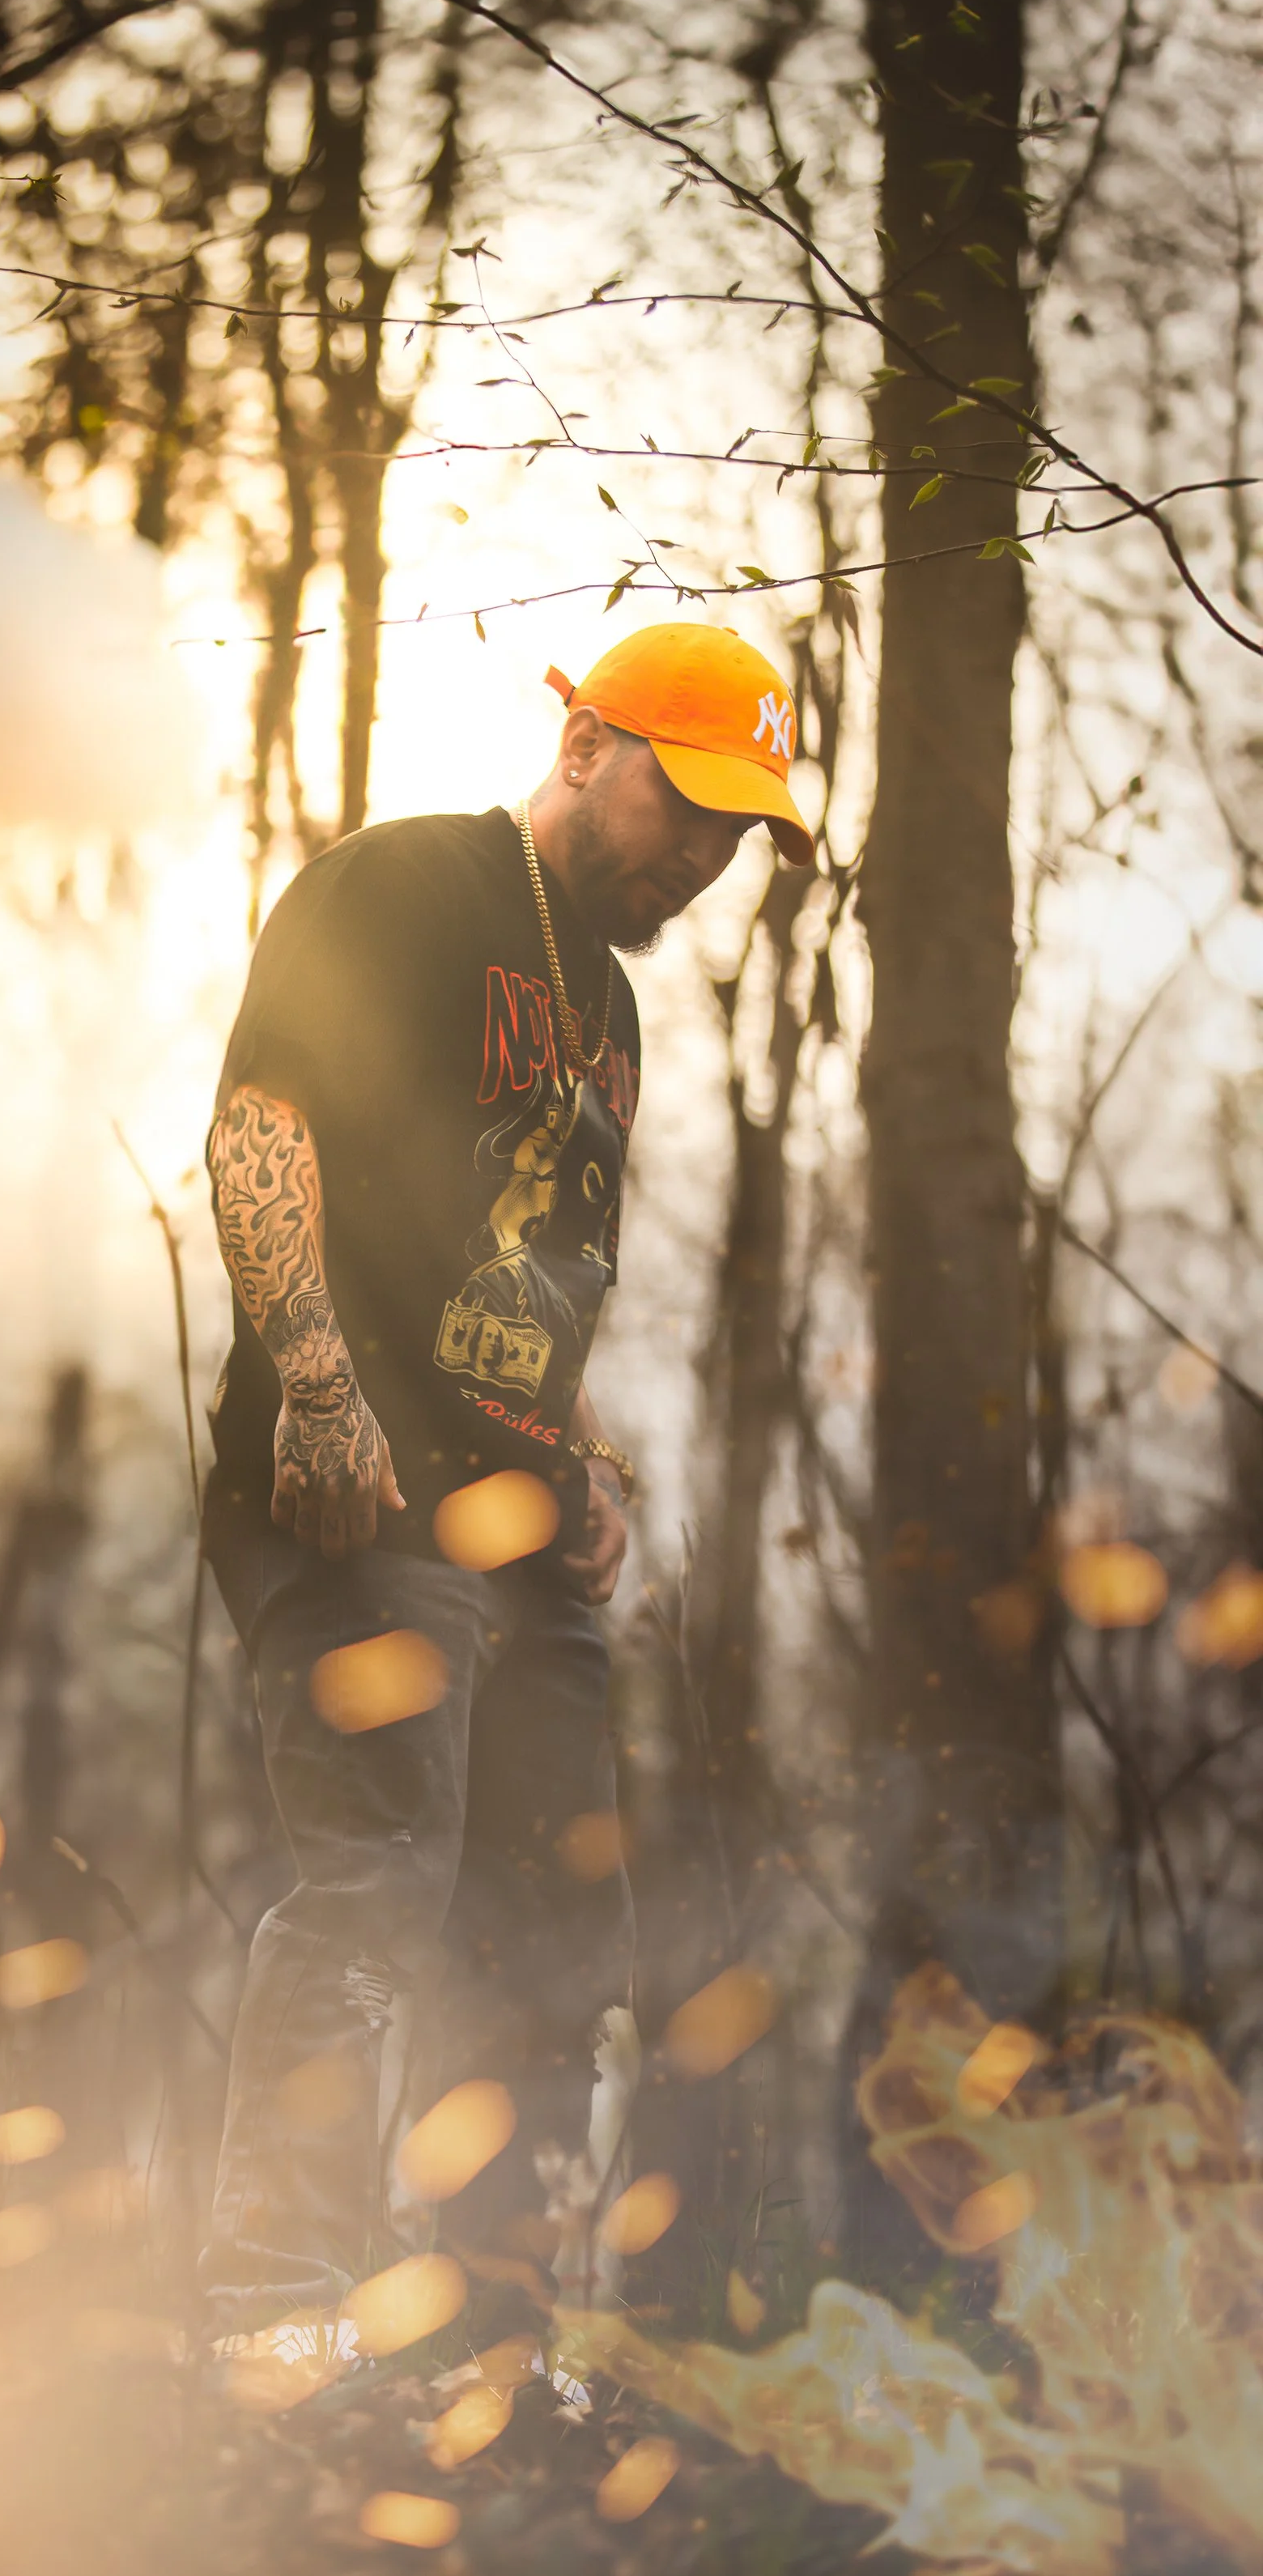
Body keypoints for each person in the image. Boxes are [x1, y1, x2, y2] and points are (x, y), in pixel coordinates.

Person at [198, 622, 813, 2353]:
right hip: (356, 1479)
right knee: (381, 1871)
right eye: (680, 805)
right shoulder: (398, 890)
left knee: (556, 1926)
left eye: (731, 831)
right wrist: (312, 1381)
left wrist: (586, 1450)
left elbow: (526, 1268)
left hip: (523, 1513)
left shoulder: (604, 1000)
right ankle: (271, 2310)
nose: (698, 857)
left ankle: (483, 2334)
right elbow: (261, 1126)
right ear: (584, 746)